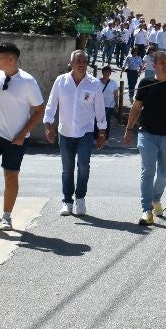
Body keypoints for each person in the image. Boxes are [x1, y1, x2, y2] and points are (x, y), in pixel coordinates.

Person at [0, 41, 45, 231]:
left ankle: (7, 216)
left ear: (11, 59)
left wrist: (22, 134)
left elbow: (38, 110)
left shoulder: (28, 81)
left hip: (16, 137)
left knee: (11, 175)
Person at [122, 49, 166, 225]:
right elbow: (136, 108)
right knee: (148, 171)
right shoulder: (146, 83)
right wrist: (129, 130)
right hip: (147, 134)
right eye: (162, 62)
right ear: (154, 66)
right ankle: (146, 210)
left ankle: (156, 199)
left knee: (164, 175)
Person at [44, 50, 107, 216]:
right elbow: (51, 105)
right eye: (78, 61)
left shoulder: (94, 84)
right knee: (67, 168)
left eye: (84, 61)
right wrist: (48, 126)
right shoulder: (61, 81)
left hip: (85, 132)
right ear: (71, 64)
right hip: (65, 132)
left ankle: (80, 198)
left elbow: (100, 110)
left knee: (84, 166)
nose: (82, 64)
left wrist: (102, 133)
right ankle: (67, 201)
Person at [99, 63, 118, 138]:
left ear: (110, 73)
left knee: (107, 122)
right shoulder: (97, 82)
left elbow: (116, 95)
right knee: (97, 122)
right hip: (99, 105)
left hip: (109, 106)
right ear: (102, 72)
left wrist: (116, 105)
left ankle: (105, 139)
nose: (107, 73)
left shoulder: (113, 83)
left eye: (108, 72)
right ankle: (95, 138)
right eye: (105, 72)